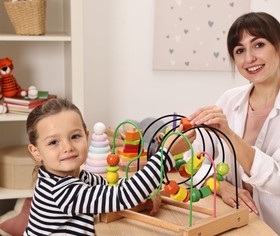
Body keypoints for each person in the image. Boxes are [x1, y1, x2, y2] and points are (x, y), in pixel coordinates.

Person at [186, 12, 280, 235]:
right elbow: (195, 159)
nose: (249, 58)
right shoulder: (230, 100)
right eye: (239, 51)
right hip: (239, 222)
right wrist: (220, 186)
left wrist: (229, 134)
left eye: (258, 45)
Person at [24, 98, 195, 235]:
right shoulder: (60, 191)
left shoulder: (78, 176)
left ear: (87, 136)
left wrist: (144, 192)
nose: (67, 147)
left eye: (75, 136)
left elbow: (112, 188)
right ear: (36, 152)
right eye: (53, 142)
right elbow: (123, 195)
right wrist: (166, 153)